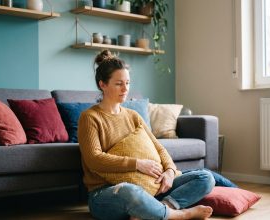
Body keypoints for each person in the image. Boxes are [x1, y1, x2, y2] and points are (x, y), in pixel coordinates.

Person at [78, 50, 215, 220]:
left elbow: (158, 147)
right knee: (130, 191)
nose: (125, 89)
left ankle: (162, 208)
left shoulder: (133, 115)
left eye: (127, 83)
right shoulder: (89, 117)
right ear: (102, 84)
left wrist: (170, 172)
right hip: (107, 193)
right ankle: (179, 215)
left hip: (151, 188)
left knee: (206, 177)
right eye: (119, 84)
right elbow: (94, 159)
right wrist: (138, 164)